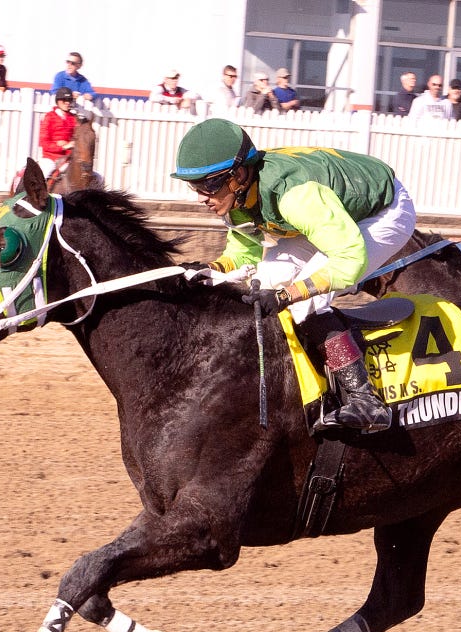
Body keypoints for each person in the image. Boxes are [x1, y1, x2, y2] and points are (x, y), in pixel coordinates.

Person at [169, 118, 417, 432]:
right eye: (195, 186)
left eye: (209, 185)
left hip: (384, 211)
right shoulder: (237, 196)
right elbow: (243, 254)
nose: (202, 196)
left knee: (305, 304)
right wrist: (211, 270)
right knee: (267, 282)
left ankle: (366, 402)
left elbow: (349, 260)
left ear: (239, 175)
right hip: (322, 214)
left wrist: (289, 295)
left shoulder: (294, 197)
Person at [38, 87, 78, 180]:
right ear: (58, 101)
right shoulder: (49, 117)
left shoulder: (74, 118)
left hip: (68, 158)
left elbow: (77, 138)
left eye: (69, 100)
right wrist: (63, 147)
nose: (67, 103)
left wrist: (73, 144)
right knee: (45, 172)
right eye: (64, 100)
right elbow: (44, 143)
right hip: (50, 158)